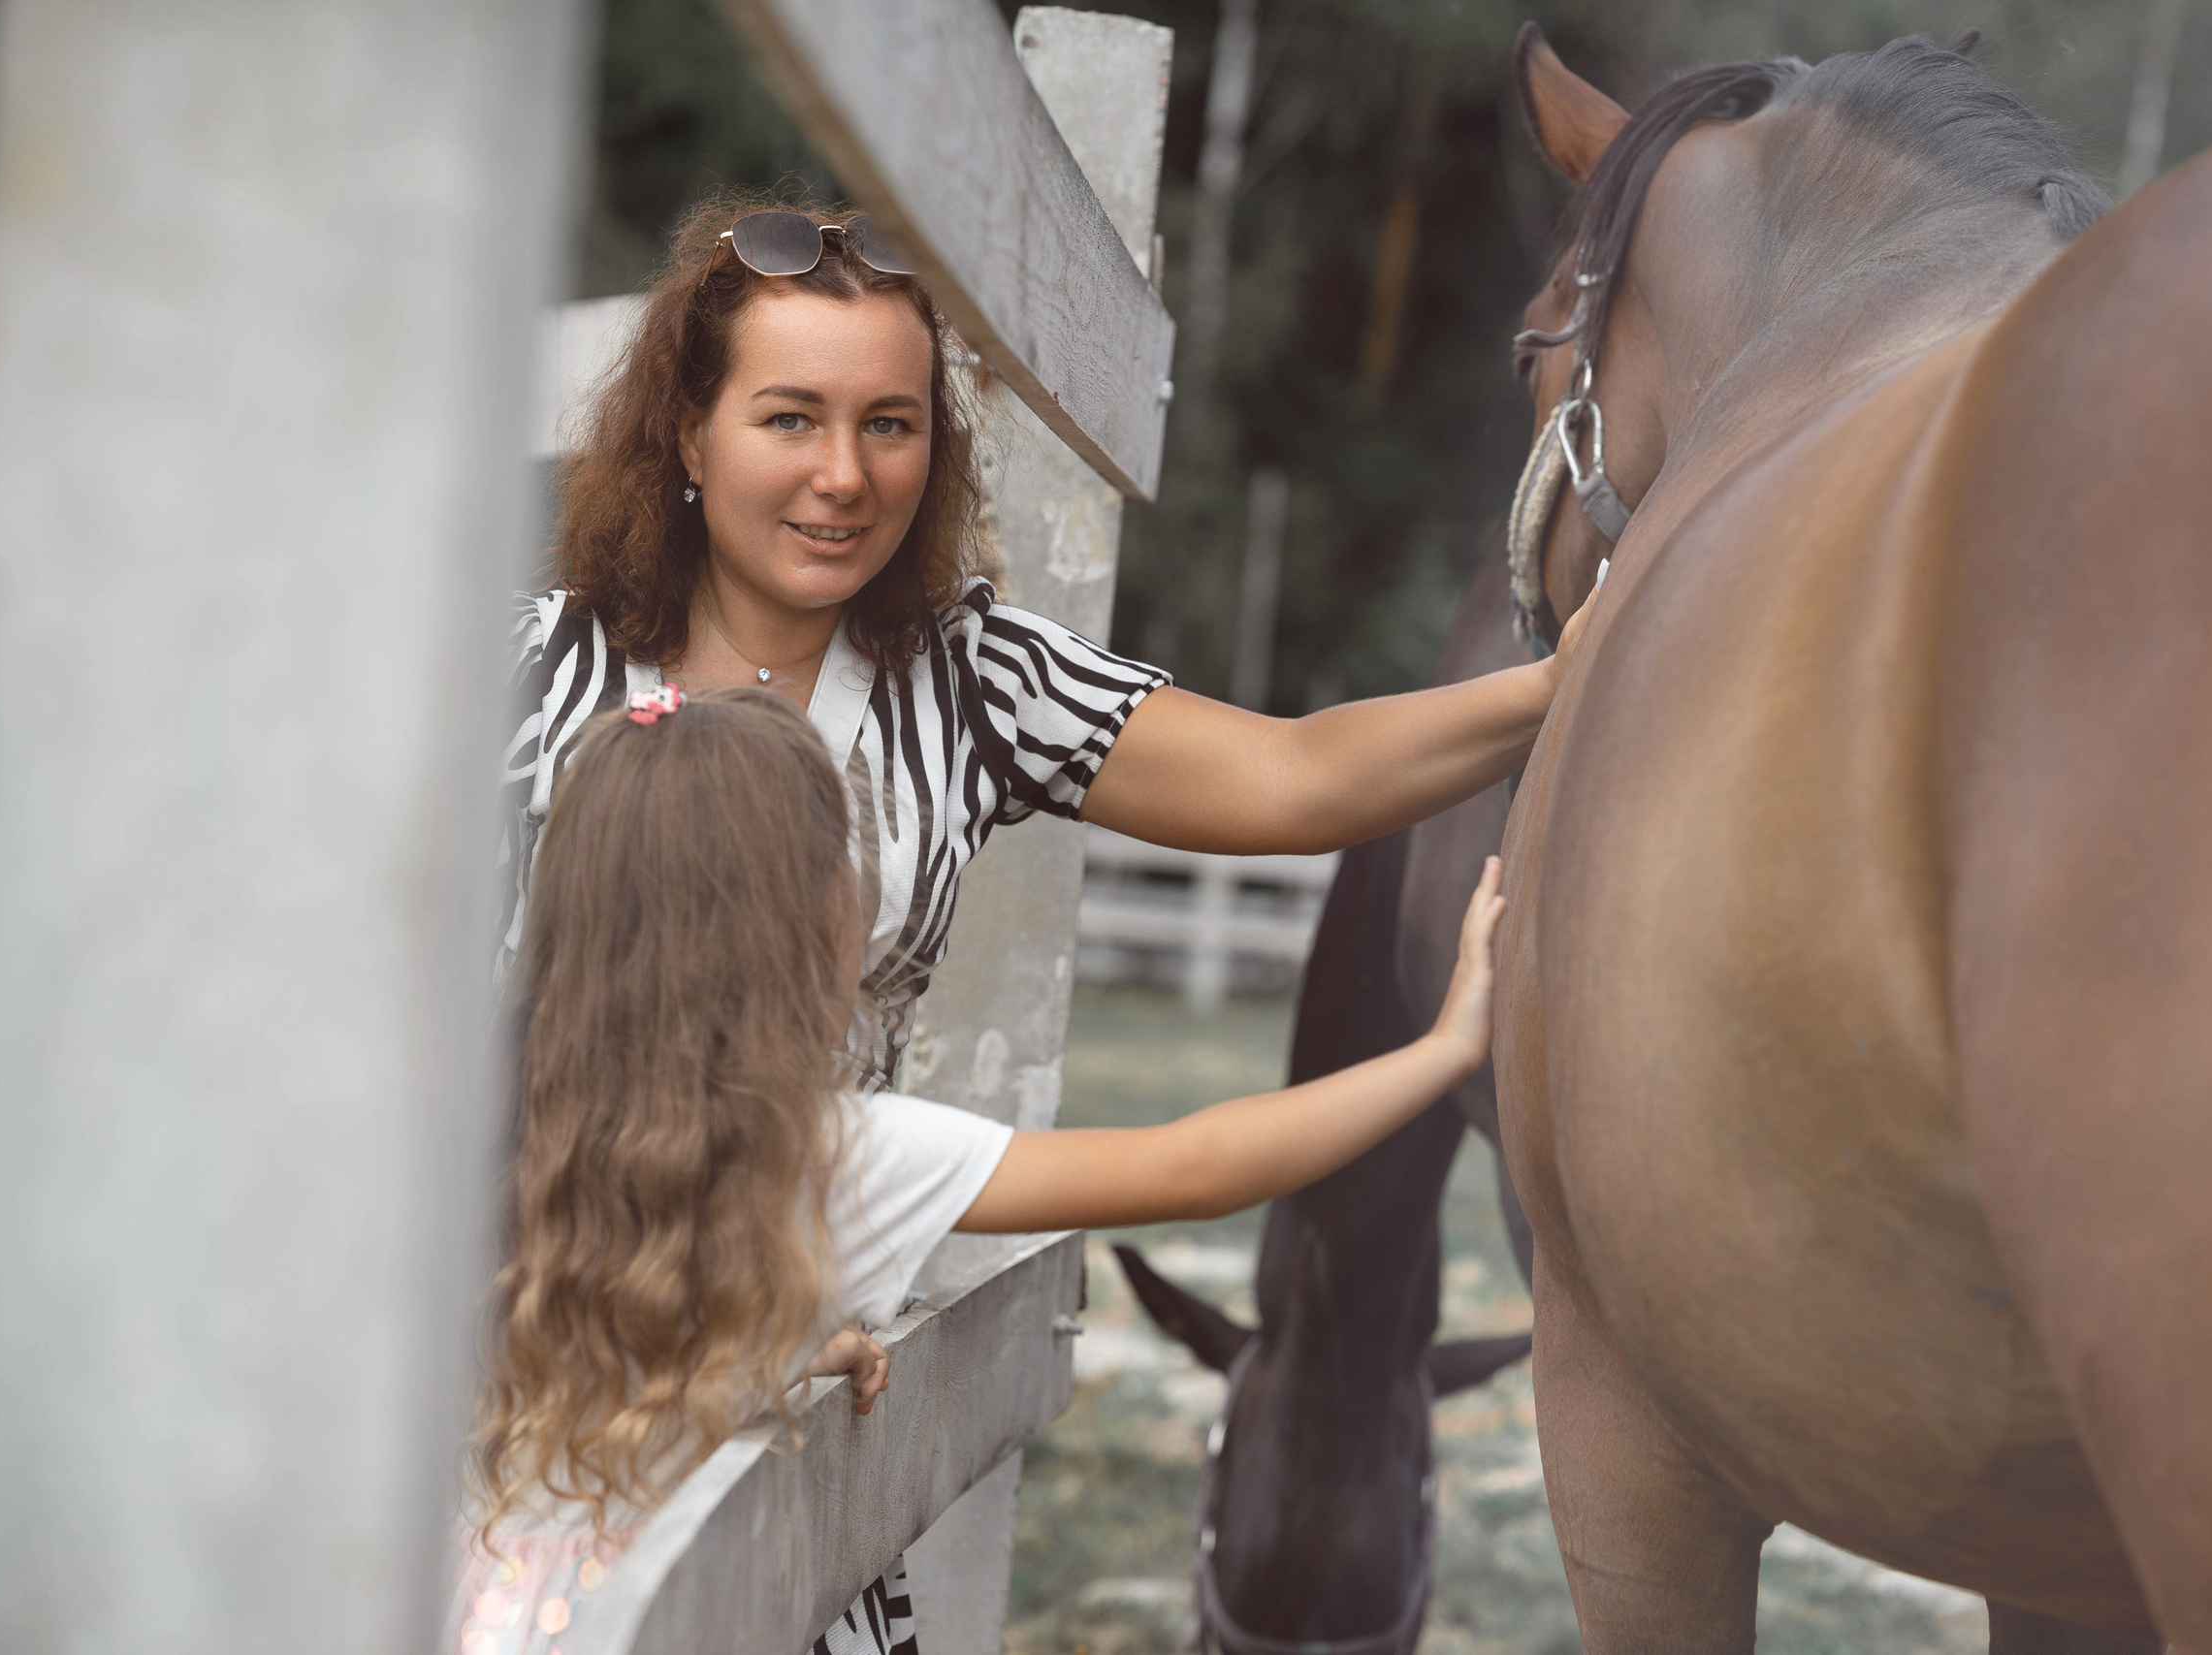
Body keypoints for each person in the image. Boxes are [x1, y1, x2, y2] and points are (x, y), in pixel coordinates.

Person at [452, 686, 1506, 1655]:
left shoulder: (480, 1137)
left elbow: (614, 1391)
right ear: (814, 926)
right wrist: (1441, 1052)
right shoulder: (833, 1158)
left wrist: (760, 1365)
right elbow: (1195, 1165)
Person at [502, 190, 1582, 1092]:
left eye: (889, 423)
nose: (844, 475)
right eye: (790, 418)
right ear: (692, 436)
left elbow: (1294, 778)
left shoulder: (976, 679)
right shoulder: (521, 671)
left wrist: (1566, 675)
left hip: (811, 1267)